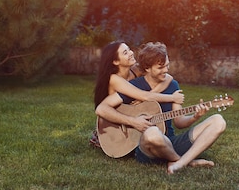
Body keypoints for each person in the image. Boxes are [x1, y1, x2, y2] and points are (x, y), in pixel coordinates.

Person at [95, 42, 226, 174]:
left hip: (170, 141)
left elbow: (179, 122)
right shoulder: (134, 86)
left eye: (167, 65)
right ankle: (186, 161)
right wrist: (134, 121)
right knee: (152, 133)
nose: (166, 70)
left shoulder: (172, 85)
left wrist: (195, 116)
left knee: (218, 121)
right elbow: (104, 108)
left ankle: (178, 163)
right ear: (147, 68)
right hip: (147, 146)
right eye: (160, 67)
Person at [90, 41, 185, 147]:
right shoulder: (114, 79)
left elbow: (167, 77)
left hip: (132, 115)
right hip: (115, 125)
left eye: (129, 49)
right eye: (125, 52)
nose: (131, 53)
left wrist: (146, 97)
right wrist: (172, 98)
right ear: (116, 61)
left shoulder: (135, 70)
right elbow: (144, 95)